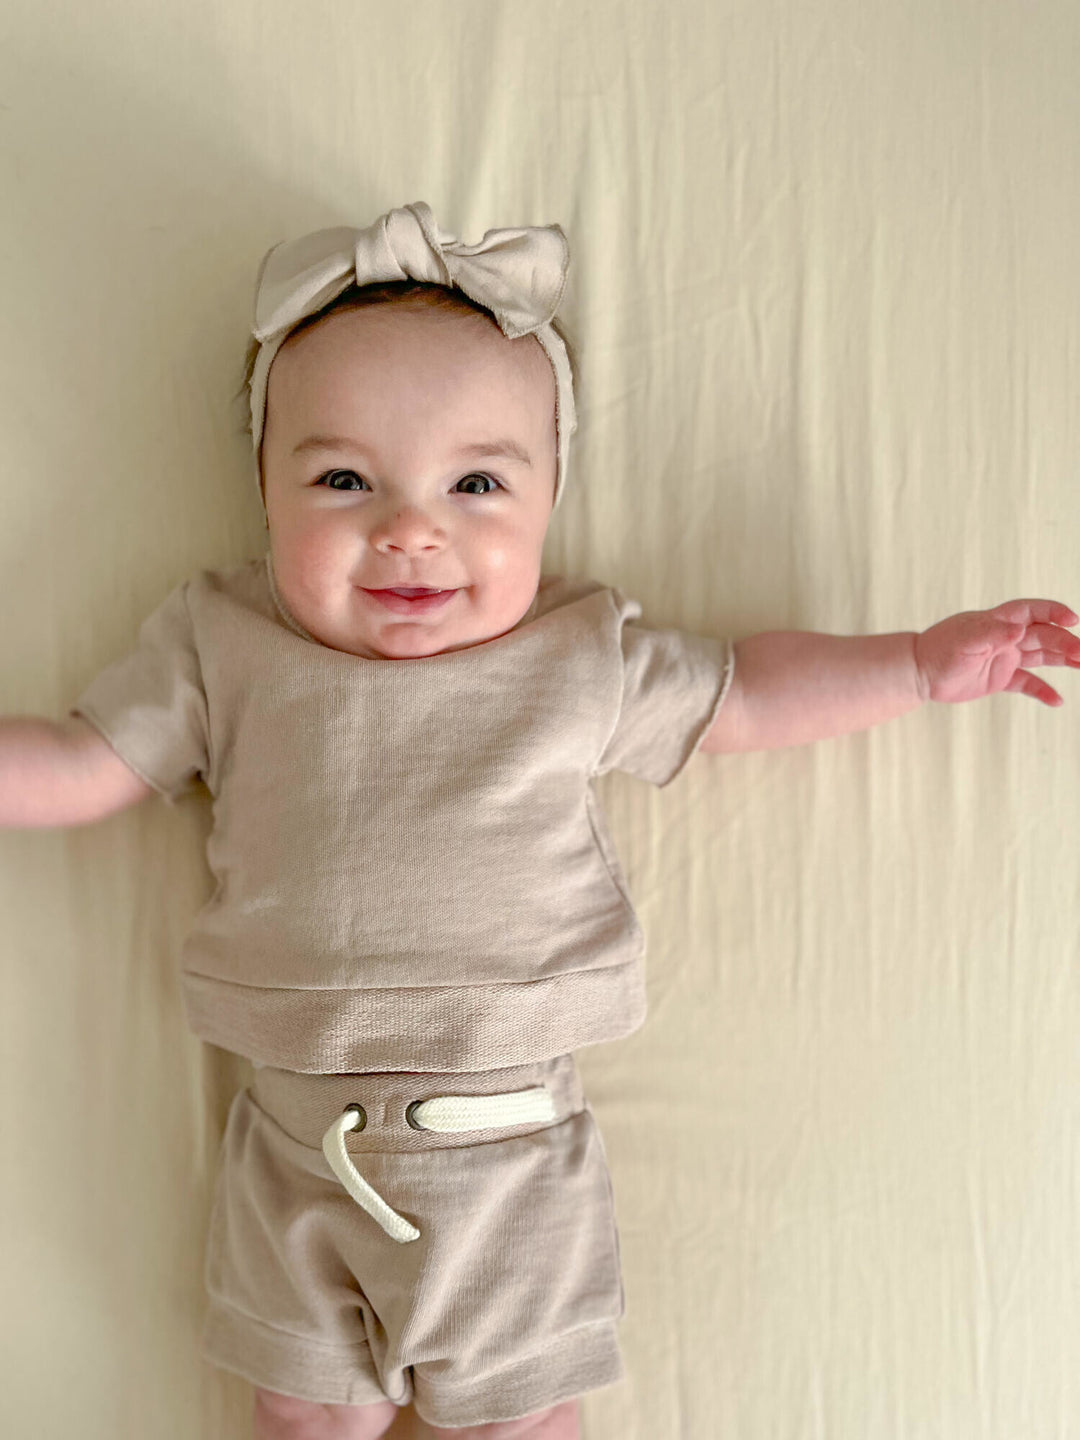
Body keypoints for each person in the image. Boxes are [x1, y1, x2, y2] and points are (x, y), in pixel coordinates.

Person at [2, 202, 1077, 1440]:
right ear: (263, 490)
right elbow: (85, 762)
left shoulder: (580, 654)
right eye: (343, 479)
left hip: (507, 1153)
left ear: (551, 497)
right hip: (294, 1147)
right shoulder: (222, 642)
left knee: (522, 1421)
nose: (412, 528)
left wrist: (913, 665)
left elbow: (743, 691)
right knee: (301, 1415)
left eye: (477, 483)